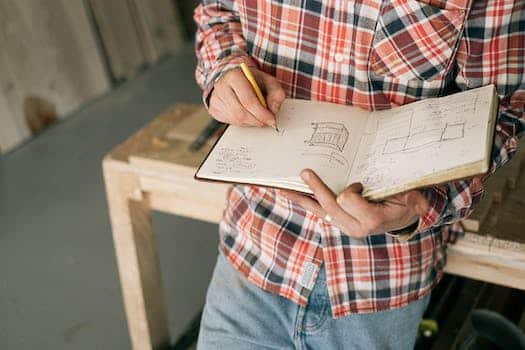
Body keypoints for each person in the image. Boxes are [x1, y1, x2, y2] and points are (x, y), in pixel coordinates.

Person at [193, 1, 524, 349]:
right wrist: (223, 70)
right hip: (253, 250)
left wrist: (420, 207)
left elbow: (502, 111)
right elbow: (216, 12)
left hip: (381, 283)